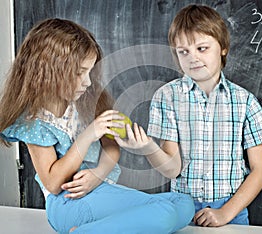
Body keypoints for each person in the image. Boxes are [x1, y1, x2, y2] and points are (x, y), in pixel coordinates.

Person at [0, 18, 195, 233]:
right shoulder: (35, 121)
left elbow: (111, 146)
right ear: (48, 70)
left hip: (101, 190)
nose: (88, 82)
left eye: (89, 72)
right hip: (68, 203)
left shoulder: (87, 100)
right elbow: (53, 183)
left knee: (184, 204)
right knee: (165, 213)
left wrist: (99, 173)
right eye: (78, 73)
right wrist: (88, 135)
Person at [115, 4, 262, 227]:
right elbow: (173, 168)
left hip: (232, 210)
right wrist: (148, 148)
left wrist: (224, 213)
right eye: (184, 51)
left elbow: (260, 171)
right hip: (182, 209)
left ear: (222, 47)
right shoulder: (167, 97)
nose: (193, 58)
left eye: (202, 48)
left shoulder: (244, 101)